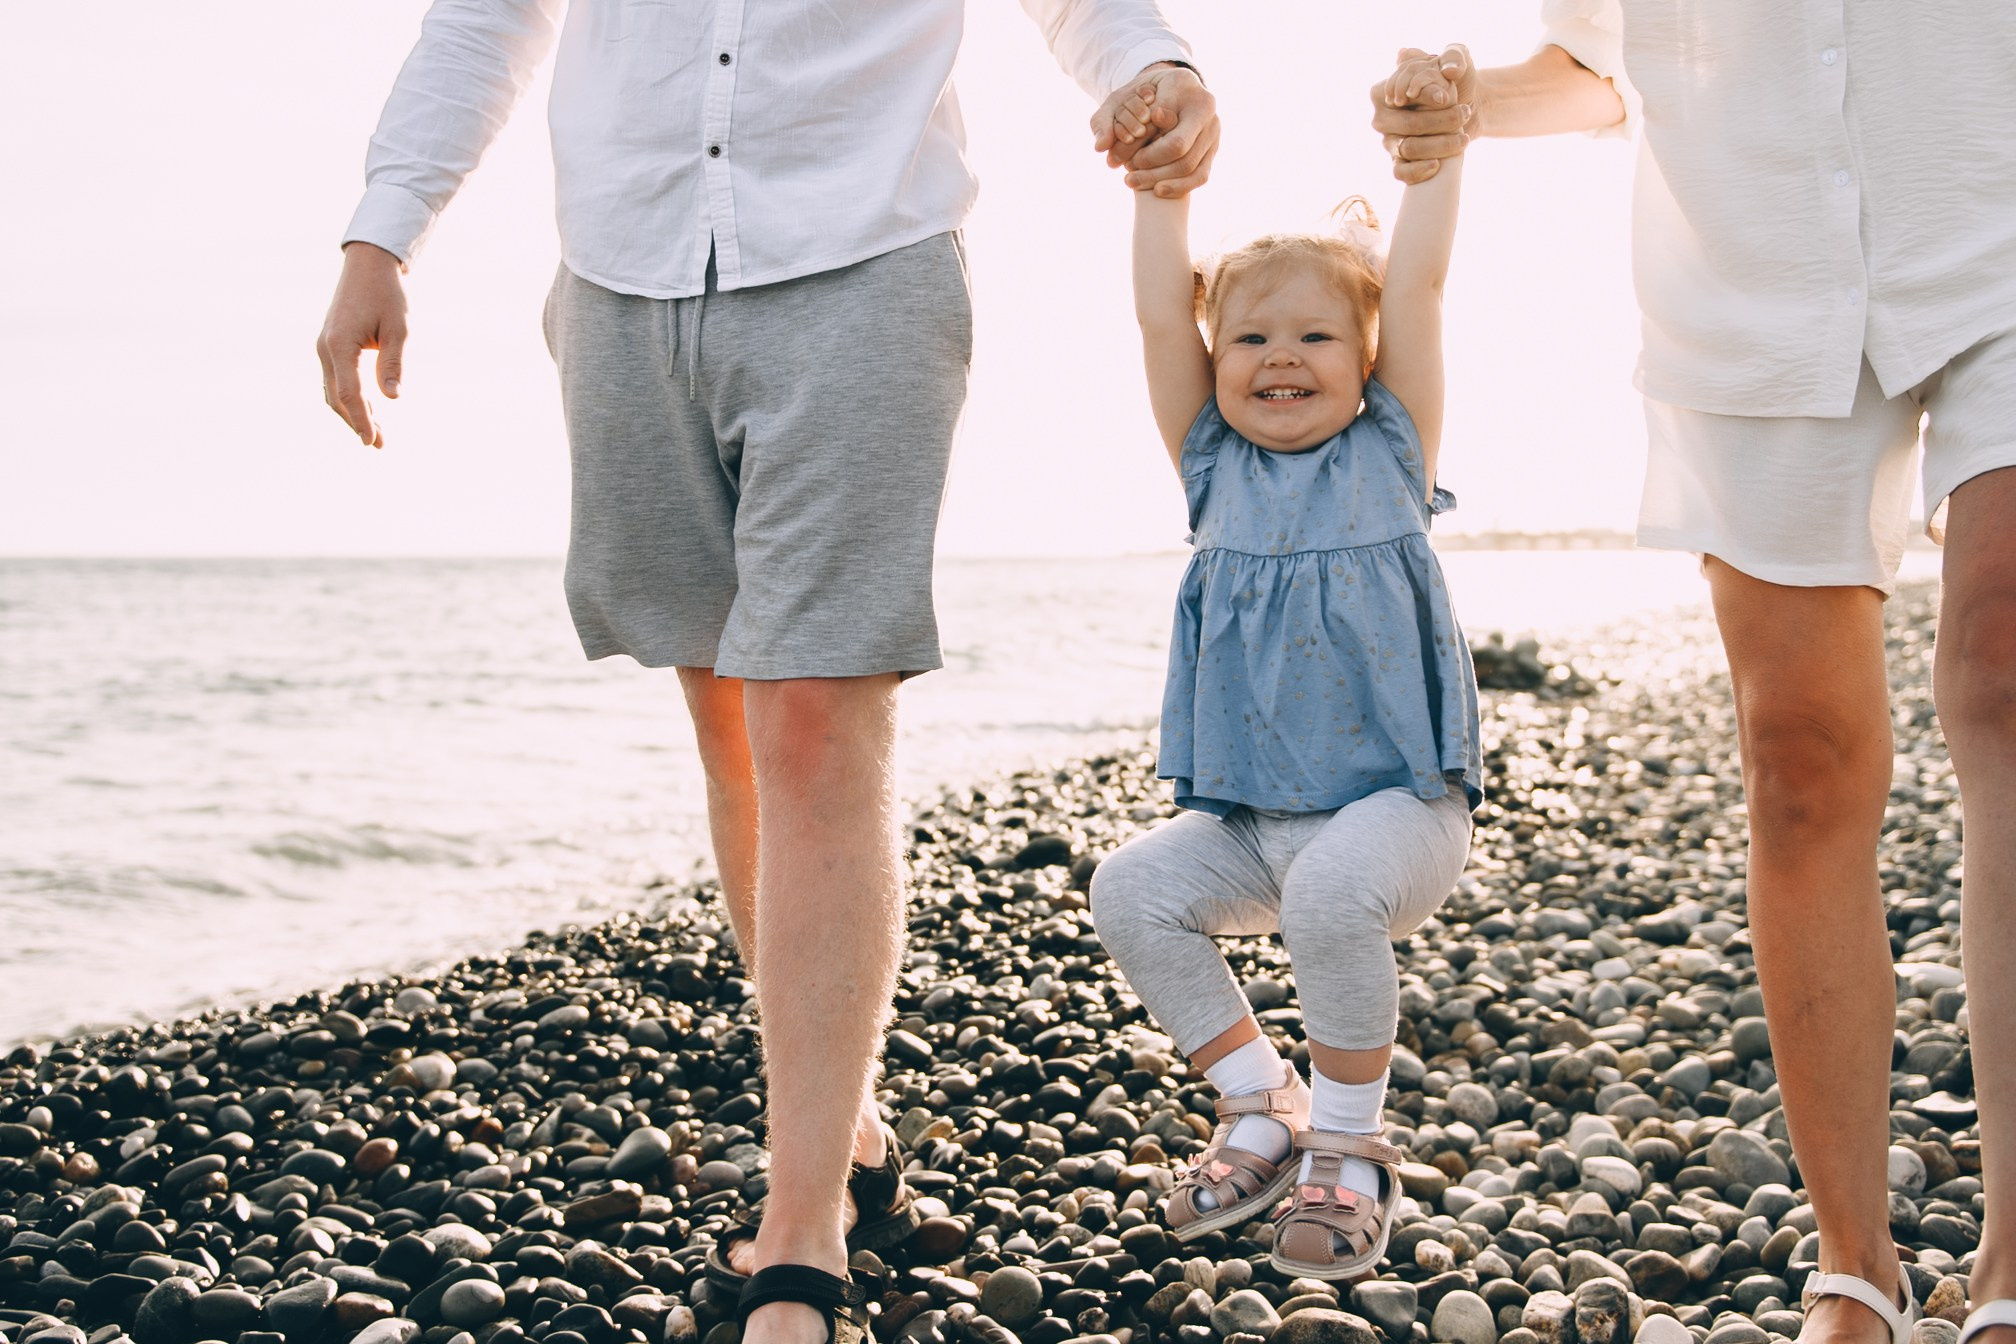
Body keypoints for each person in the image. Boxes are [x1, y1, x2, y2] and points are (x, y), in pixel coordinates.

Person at [312, 8, 1217, 1344]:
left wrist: (1155, 67)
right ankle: (841, 1122)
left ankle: (801, 1230)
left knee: (811, 720)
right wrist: (382, 233)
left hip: (862, 255)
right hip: (625, 275)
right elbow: (486, 21)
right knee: (729, 720)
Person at [1372, 10, 2016, 1344]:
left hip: (1997, 218)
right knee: (1799, 762)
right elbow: (1600, 69)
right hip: (1751, 275)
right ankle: (1858, 1266)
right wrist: (1467, 99)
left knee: (2009, 671)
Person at [1087, 49, 1482, 1281]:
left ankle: (1353, 1149)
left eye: (1317, 333)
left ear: (1366, 360)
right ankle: (1266, 1107)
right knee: (1128, 888)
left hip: (1400, 810)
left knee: (1327, 903)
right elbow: (1161, 310)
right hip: (1256, 824)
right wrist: (1162, 187)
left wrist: (1436, 156)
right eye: (1250, 335)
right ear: (1216, 362)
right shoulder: (1211, 467)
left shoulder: (1392, 456)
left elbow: (1416, 283)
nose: (1281, 356)